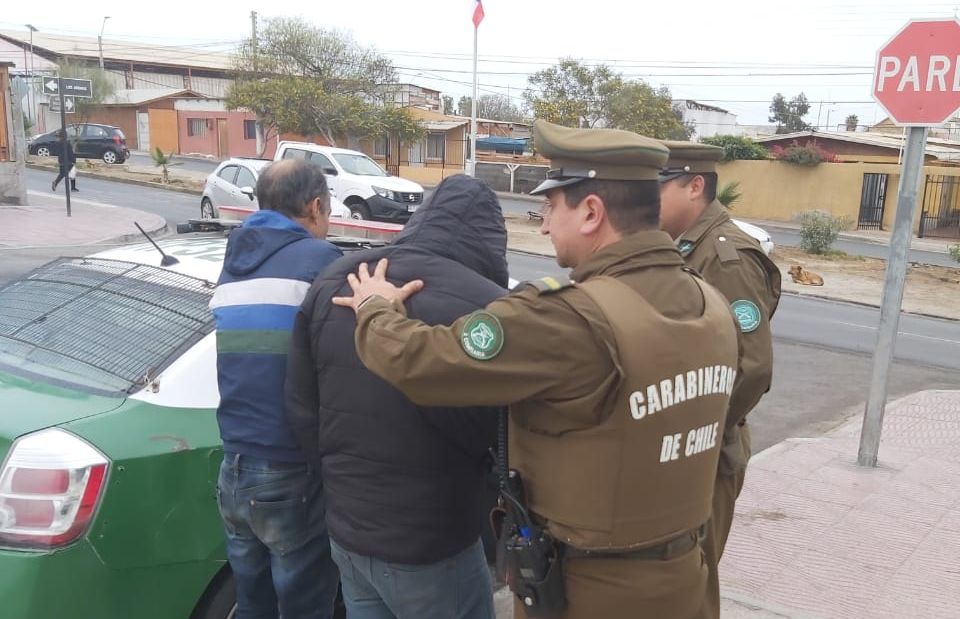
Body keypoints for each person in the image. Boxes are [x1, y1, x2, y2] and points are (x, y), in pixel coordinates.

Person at [329, 120, 743, 619]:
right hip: (686, 578)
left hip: (592, 592)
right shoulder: (712, 303)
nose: (543, 225)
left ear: (591, 212)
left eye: (550, 207)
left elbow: (420, 361)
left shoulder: (568, 317)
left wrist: (376, 308)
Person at [286, 174, 509, 619]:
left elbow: (302, 412)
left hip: (349, 533)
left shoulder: (337, 280)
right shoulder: (492, 308)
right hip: (434, 542)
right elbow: (501, 437)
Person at [209, 159, 342, 619]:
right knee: (304, 605)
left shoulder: (234, 264)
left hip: (233, 469)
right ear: (316, 206)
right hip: (288, 468)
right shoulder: (321, 264)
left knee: (253, 604)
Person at [658, 141, 782, 618]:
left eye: (658, 186)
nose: (648, 199)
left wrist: (698, 434)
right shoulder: (686, 247)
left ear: (694, 186)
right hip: (685, 448)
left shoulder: (726, 258)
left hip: (707, 453)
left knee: (693, 578)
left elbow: (751, 367)